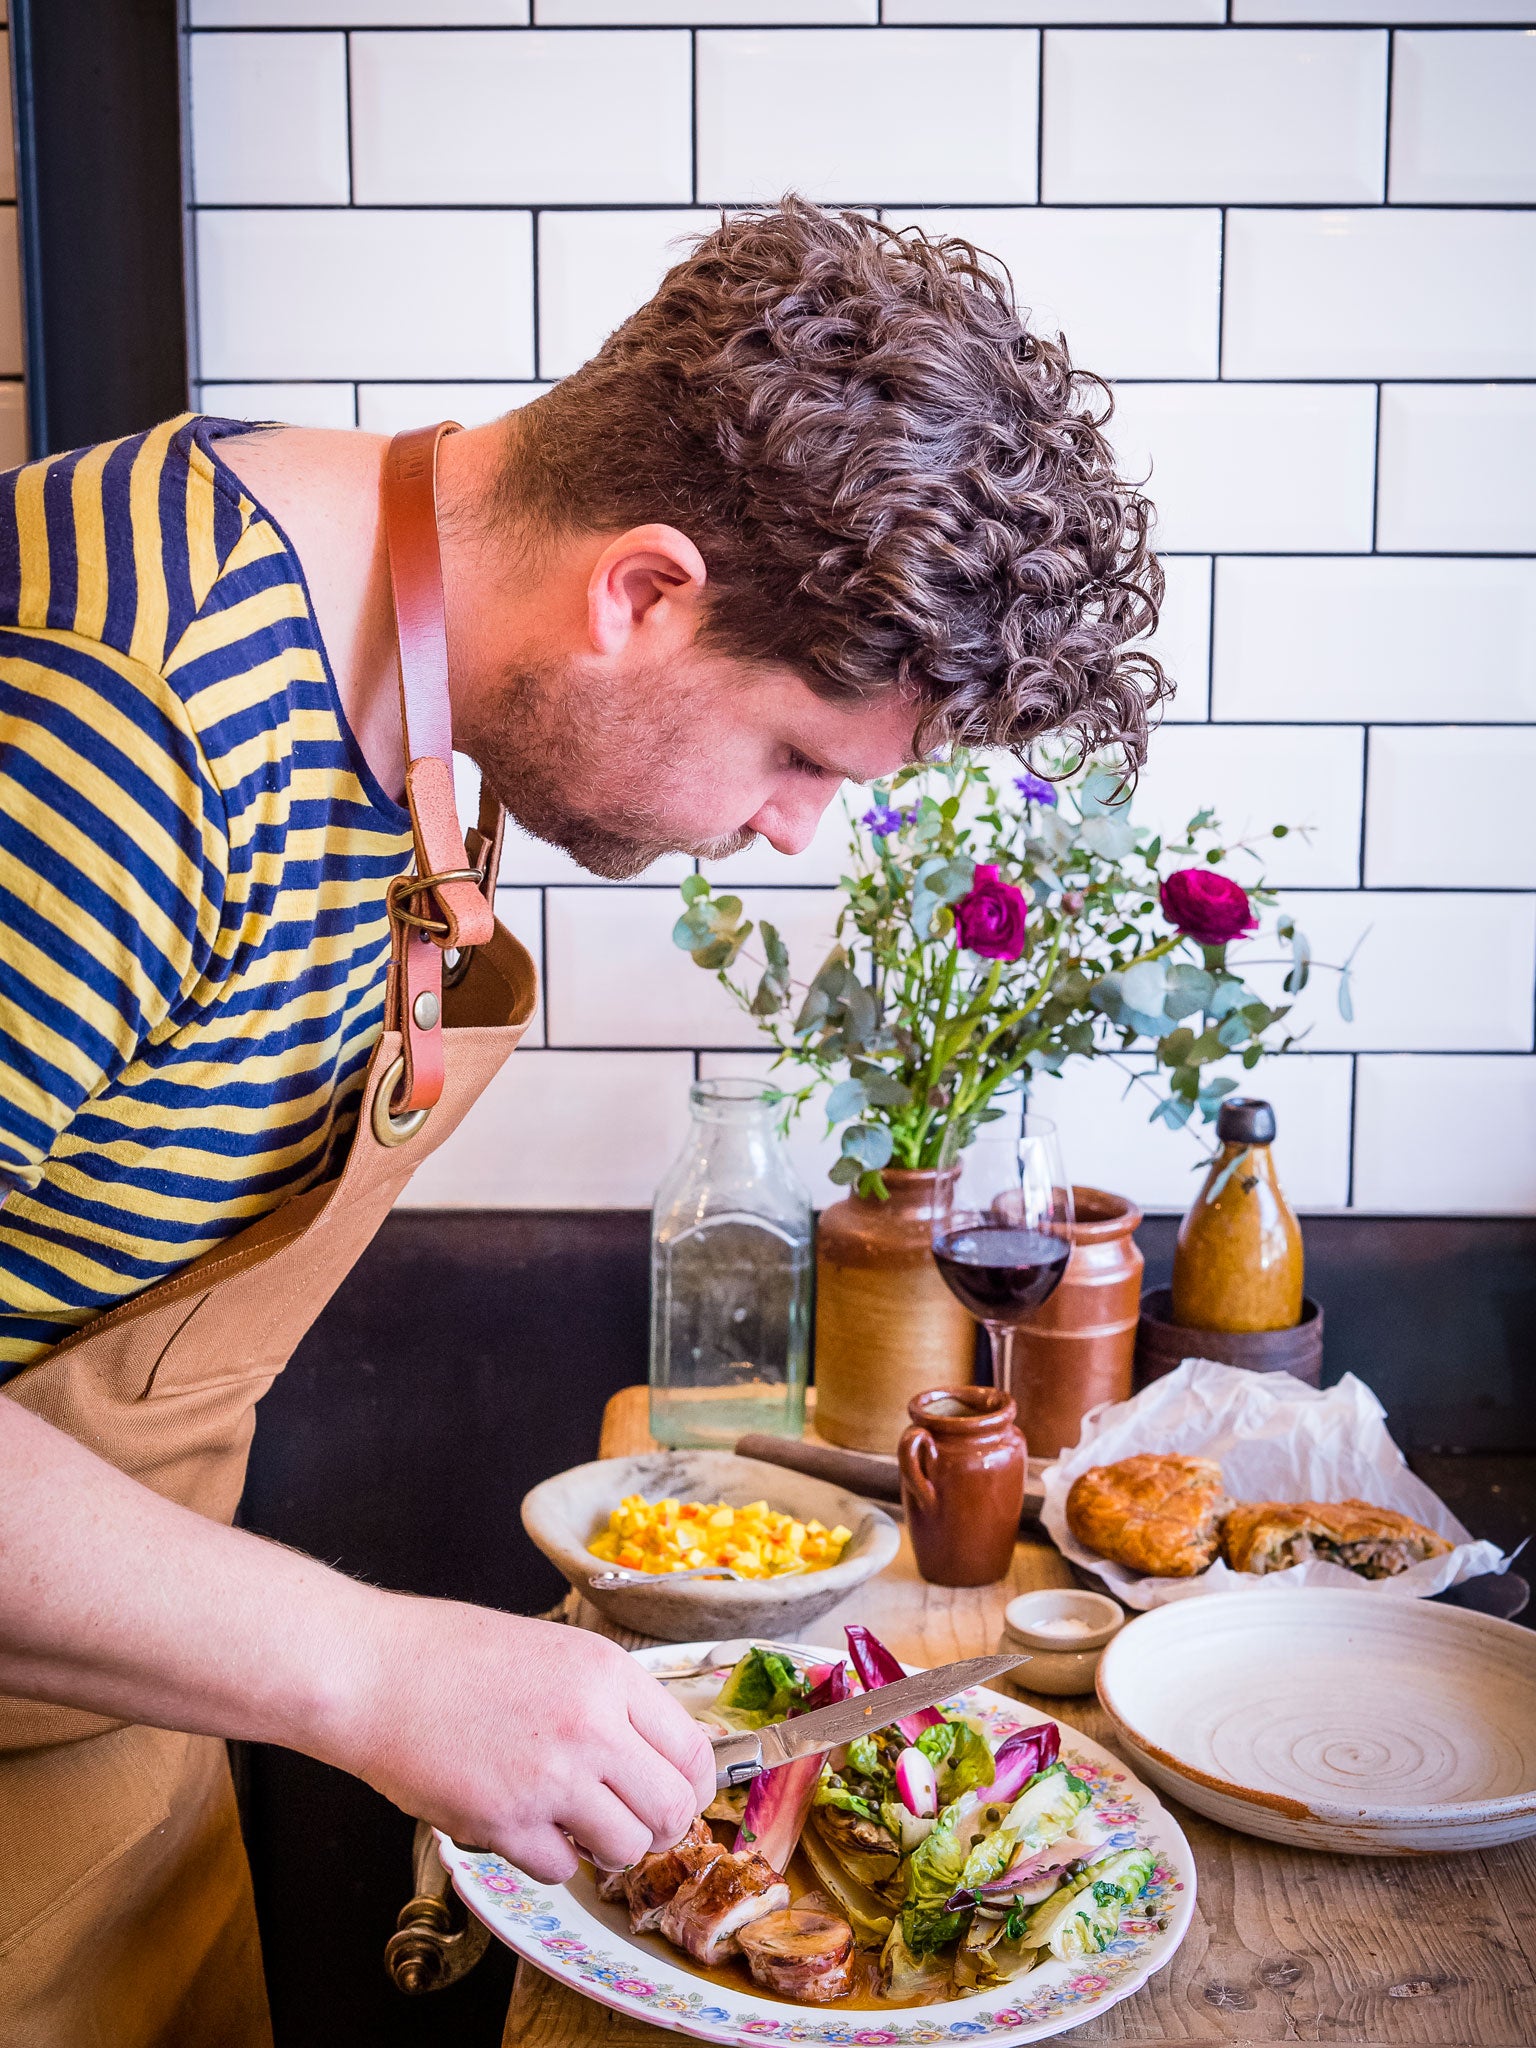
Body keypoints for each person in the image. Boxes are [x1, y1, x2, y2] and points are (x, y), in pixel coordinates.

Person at [0, 199, 1167, 2045]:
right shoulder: (114, 726)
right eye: (798, 756)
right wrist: (374, 1667)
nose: (798, 833)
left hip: (101, 1724)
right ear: (641, 591)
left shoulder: (383, 657)